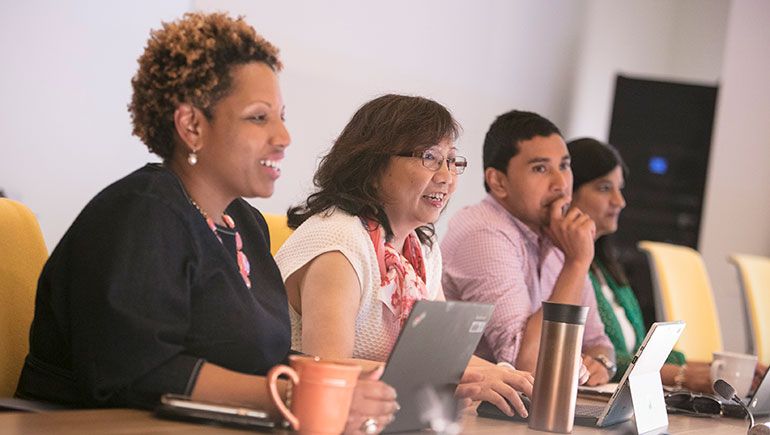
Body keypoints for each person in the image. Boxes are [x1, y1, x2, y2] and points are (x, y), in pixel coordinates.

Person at [14, 12, 397, 433]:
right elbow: (137, 372)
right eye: (259, 117)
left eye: (281, 116)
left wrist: (334, 382)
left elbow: (257, 359)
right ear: (192, 126)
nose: (284, 136)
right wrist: (293, 397)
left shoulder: (244, 224)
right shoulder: (139, 213)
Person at [275, 94, 535, 417]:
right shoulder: (339, 242)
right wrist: (445, 380)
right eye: (429, 157)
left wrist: (506, 377)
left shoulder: (420, 250)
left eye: (452, 161)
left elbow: (443, 353)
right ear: (372, 164)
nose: (447, 177)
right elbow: (329, 369)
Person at [567, 137, 768, 393]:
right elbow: (594, 358)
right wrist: (683, 376)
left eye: (620, 189)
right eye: (604, 188)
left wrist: (712, 366)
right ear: (568, 191)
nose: (619, 201)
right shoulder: (567, 268)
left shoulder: (605, 267)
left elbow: (639, 349)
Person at [441, 110, 615, 386]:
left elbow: (598, 342)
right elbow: (528, 364)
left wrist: (603, 363)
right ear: (498, 182)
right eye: (540, 169)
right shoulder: (483, 231)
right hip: (472, 413)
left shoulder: (558, 231)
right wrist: (577, 263)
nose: (561, 184)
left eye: (565, 166)